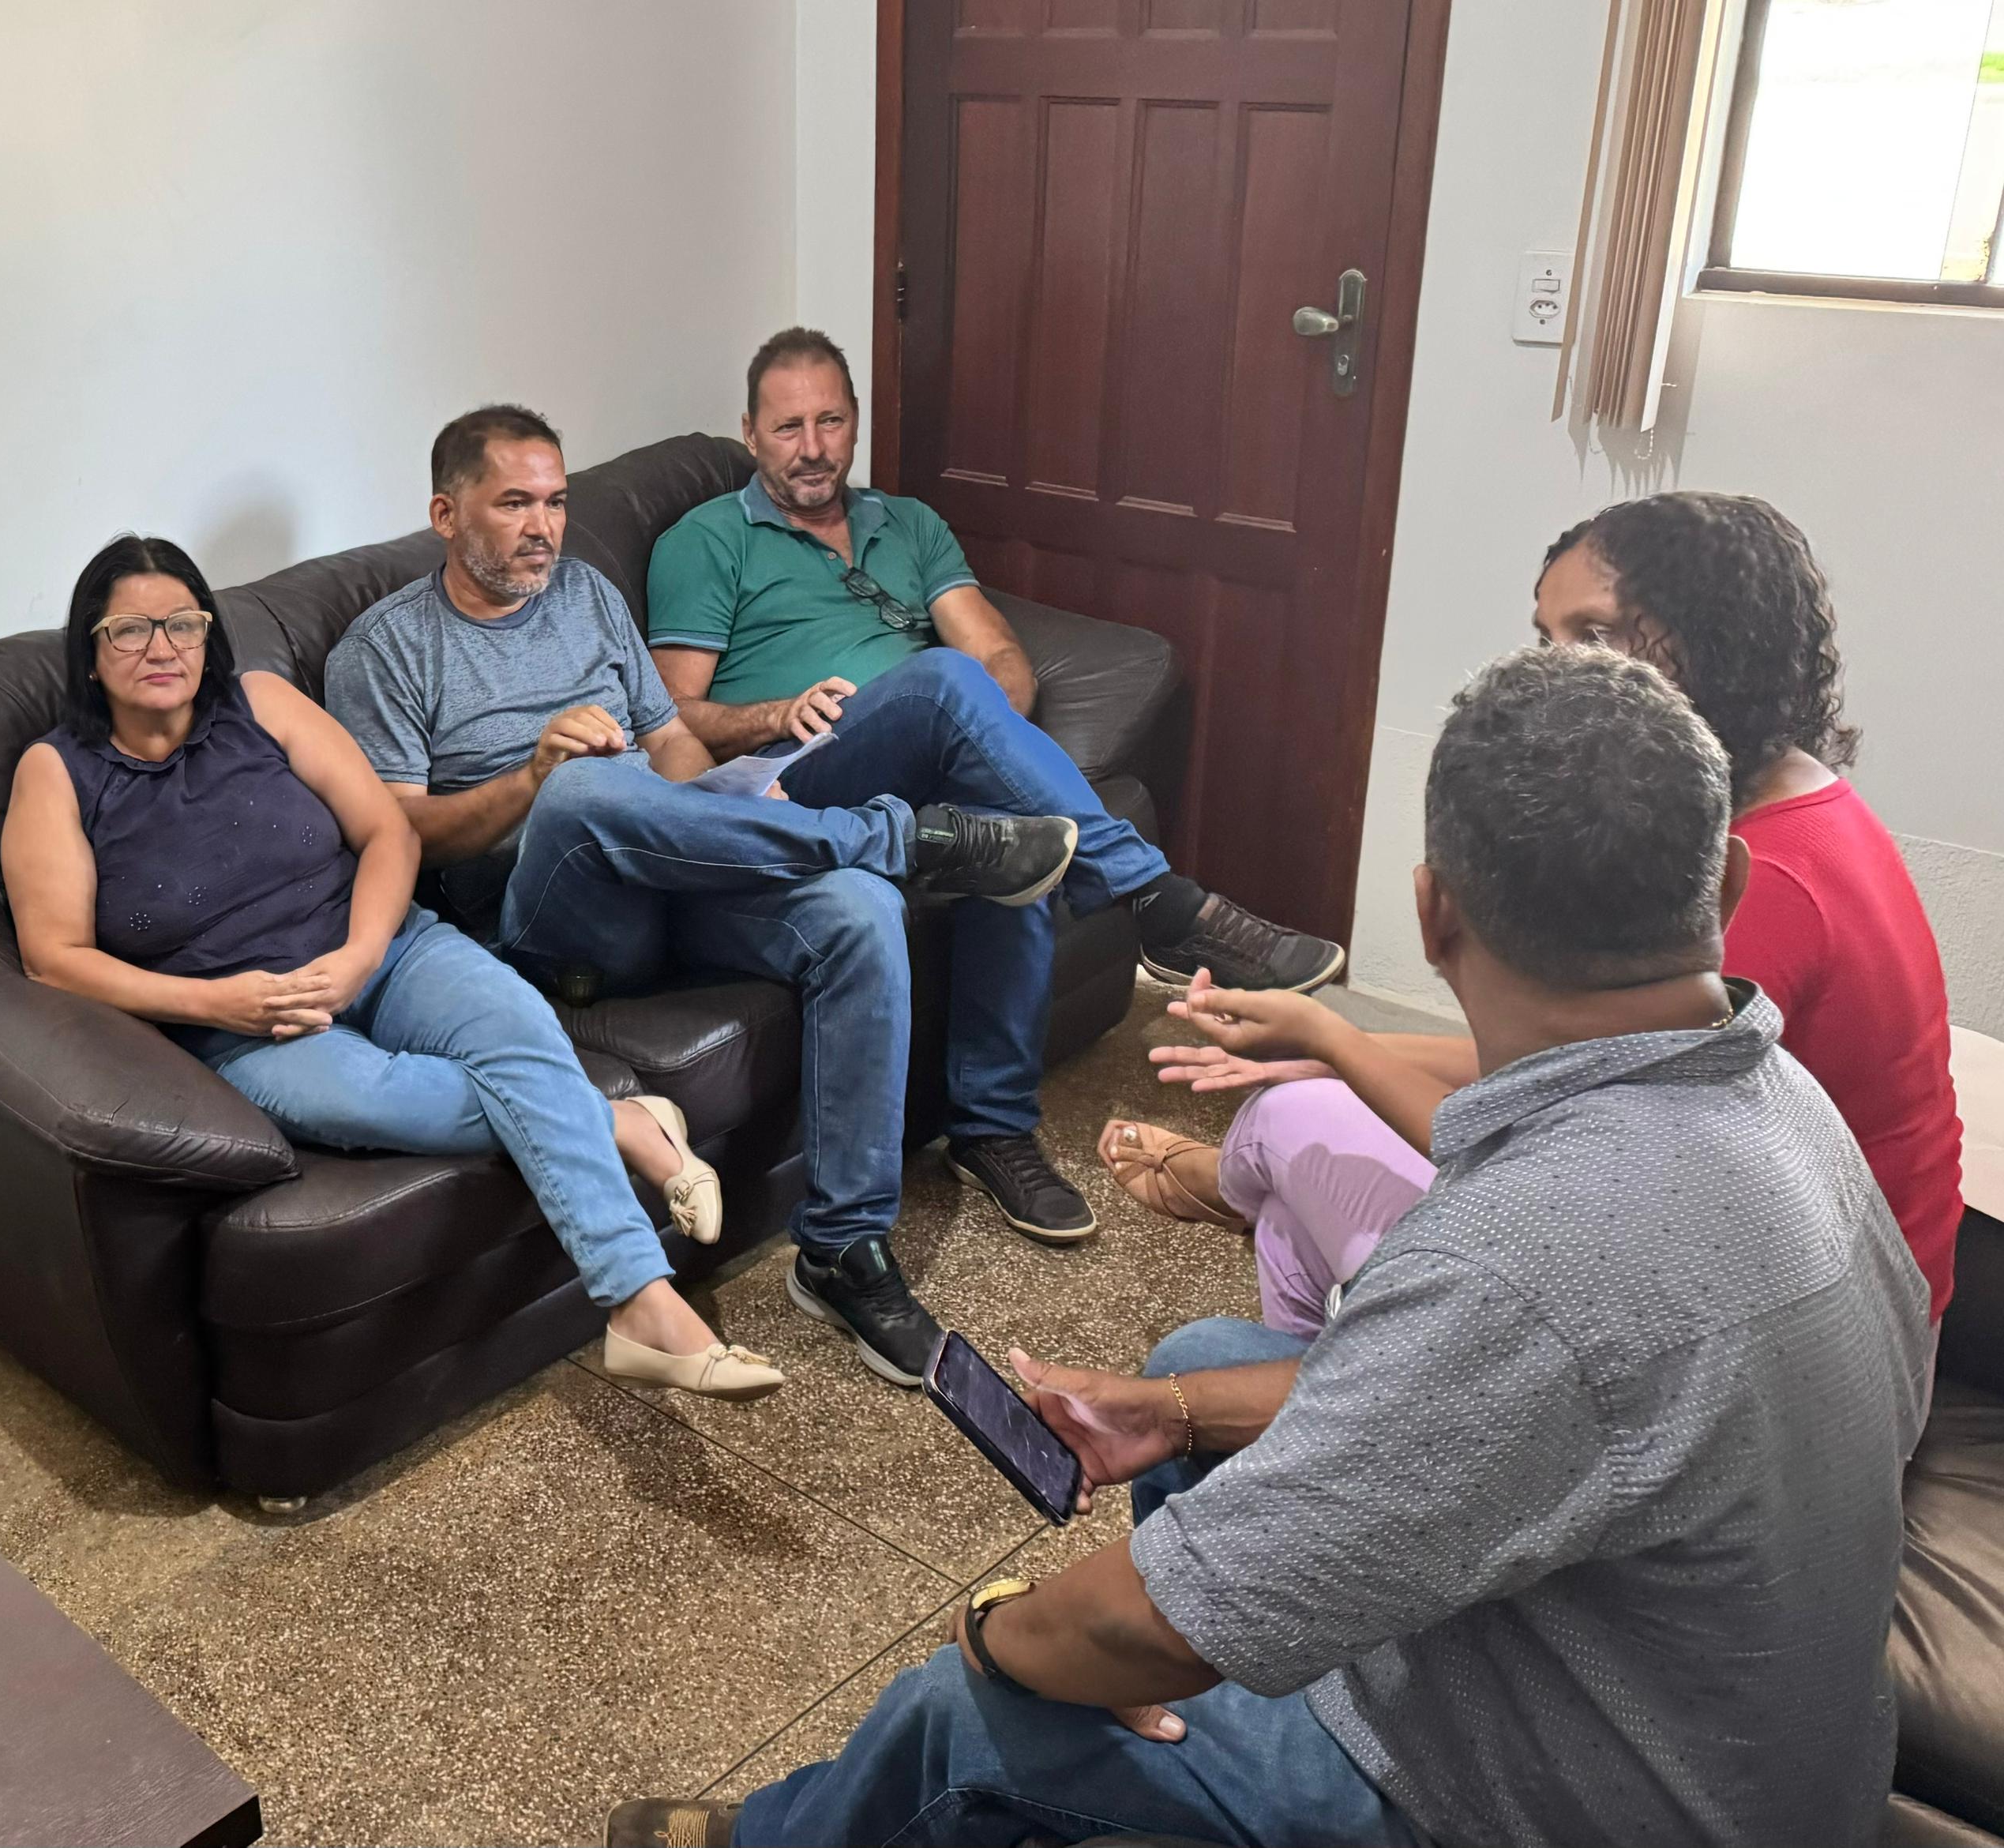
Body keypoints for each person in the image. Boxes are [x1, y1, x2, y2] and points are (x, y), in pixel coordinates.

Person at [610, 644, 1931, 1848]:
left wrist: (996, 1631)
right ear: (1727, 882)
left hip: (1555, 1805)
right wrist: (1178, 1412)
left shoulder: (1527, 1258)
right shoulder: (1783, 1101)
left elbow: (1136, 1624)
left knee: (968, 1713)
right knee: (1201, 1365)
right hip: (1713, 1728)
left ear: (1434, 916)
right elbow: (1534, 1400)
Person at [325, 406, 1083, 1392]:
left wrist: (729, 813)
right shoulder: (383, 650)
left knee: (857, 911)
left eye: (554, 502)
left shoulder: (587, 594)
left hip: (670, 866)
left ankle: (843, 1249)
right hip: (551, 919)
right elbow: (398, 835)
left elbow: (671, 746)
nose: (542, 528)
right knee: (582, 789)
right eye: (513, 504)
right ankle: (908, 837)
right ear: (445, 514)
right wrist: (532, 775)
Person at [1104, 491, 1963, 1333]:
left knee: (1286, 1125)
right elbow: (1572, 1062)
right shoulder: (1802, 799)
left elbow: (1560, 1153)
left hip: (1786, 1314)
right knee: (1299, 1173)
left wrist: (1337, 1046)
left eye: (1594, 637)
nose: (1557, 676)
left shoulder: (1760, 883)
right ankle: (1307, 1334)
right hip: (1788, 1263)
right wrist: (1324, 1043)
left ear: (1719, 644)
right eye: (1546, 640)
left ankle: (1251, 1217)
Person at [0, 534, 782, 1399]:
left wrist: (360, 954)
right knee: (380, 1100)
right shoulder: (57, 773)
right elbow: (53, 960)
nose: (162, 648)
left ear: (207, 635)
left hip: (387, 947)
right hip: (246, 1022)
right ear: (90, 652)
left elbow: (388, 833)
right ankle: (621, 1124)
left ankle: (642, 1304)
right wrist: (215, 1003)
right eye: (130, 630)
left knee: (519, 1031)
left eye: (182, 624)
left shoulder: (263, 702)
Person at [647, 327, 1347, 1242]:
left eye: (830, 422)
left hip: (921, 769)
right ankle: (1156, 901)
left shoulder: (908, 526)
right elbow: (670, 716)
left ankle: (992, 1130)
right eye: (786, 428)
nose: (811, 448)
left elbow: (1001, 660)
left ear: (855, 420)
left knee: (1018, 838)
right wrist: (782, 711)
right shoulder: (705, 541)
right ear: (748, 433)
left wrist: (972, 734)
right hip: (802, 777)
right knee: (941, 682)